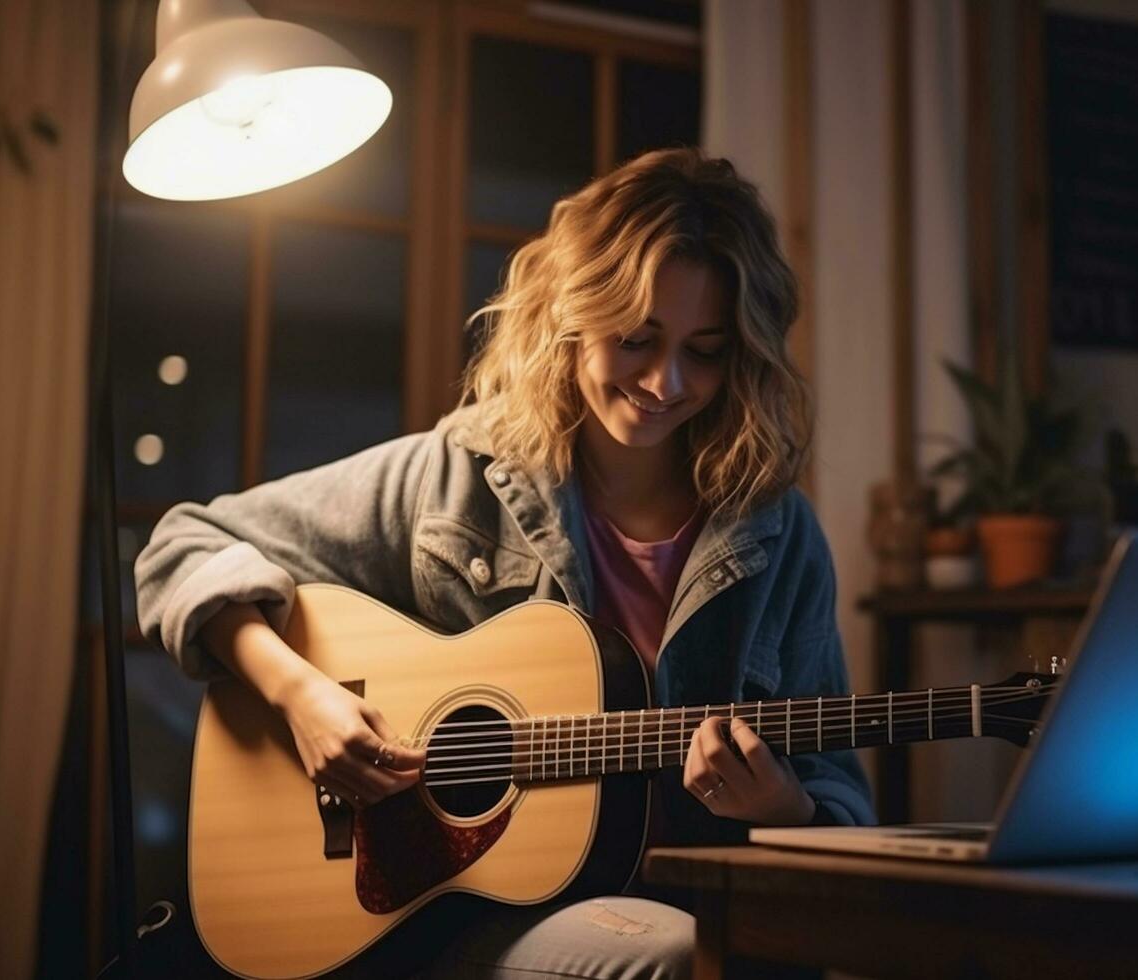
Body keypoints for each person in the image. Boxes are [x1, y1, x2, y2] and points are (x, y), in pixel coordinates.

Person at [136, 147, 874, 979]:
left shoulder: (776, 533)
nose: (666, 381)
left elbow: (838, 793)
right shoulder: (453, 477)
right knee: (674, 962)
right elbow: (183, 544)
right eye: (635, 338)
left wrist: (784, 805)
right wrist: (299, 694)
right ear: (570, 314)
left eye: (704, 351)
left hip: (693, 899)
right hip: (463, 910)